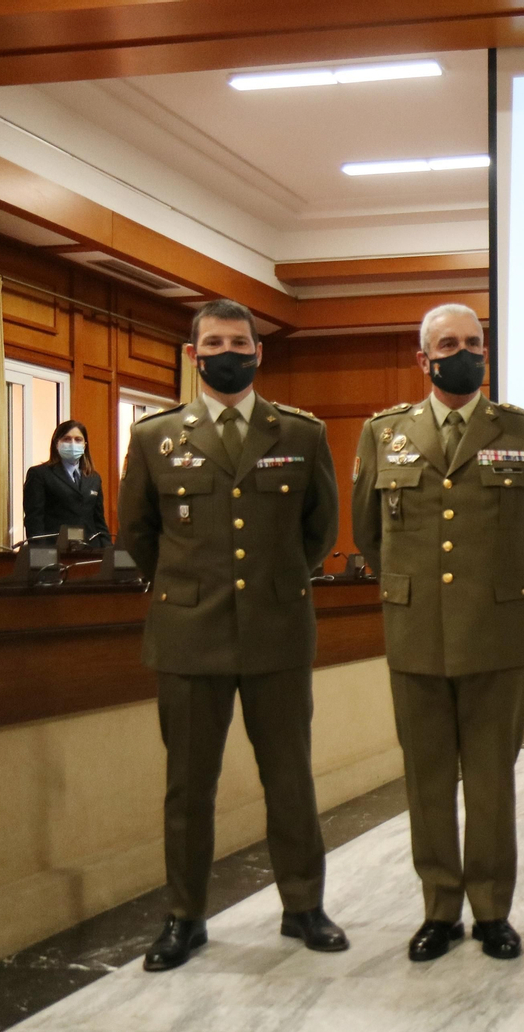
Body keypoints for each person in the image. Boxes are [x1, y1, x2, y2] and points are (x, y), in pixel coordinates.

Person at [119, 297, 345, 972]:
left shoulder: (300, 434)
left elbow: (320, 530)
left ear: (258, 351)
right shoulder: (154, 437)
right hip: (188, 635)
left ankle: (303, 905)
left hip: (277, 631)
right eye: (213, 341)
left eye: (239, 341)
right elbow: (139, 534)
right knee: (189, 786)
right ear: (193, 354)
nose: (227, 351)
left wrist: (275, 582)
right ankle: (184, 917)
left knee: (291, 779)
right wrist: (191, 588)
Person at [352, 304, 524, 962]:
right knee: (426, 779)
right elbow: (368, 533)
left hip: (497, 637)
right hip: (415, 634)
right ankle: (440, 909)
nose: (463, 353)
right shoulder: (383, 433)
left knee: (491, 781)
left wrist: (512, 599)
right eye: (448, 344)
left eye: (474, 343)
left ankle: (492, 911)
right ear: (424, 359)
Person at [23, 419, 109, 543]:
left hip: (90, 551)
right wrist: (41, 554)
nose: (73, 444)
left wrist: (108, 552)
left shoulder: (94, 478)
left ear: (85, 444)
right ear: (56, 443)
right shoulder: (40, 474)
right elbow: (34, 520)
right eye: (67, 439)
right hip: (55, 550)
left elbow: (99, 521)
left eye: (78, 440)